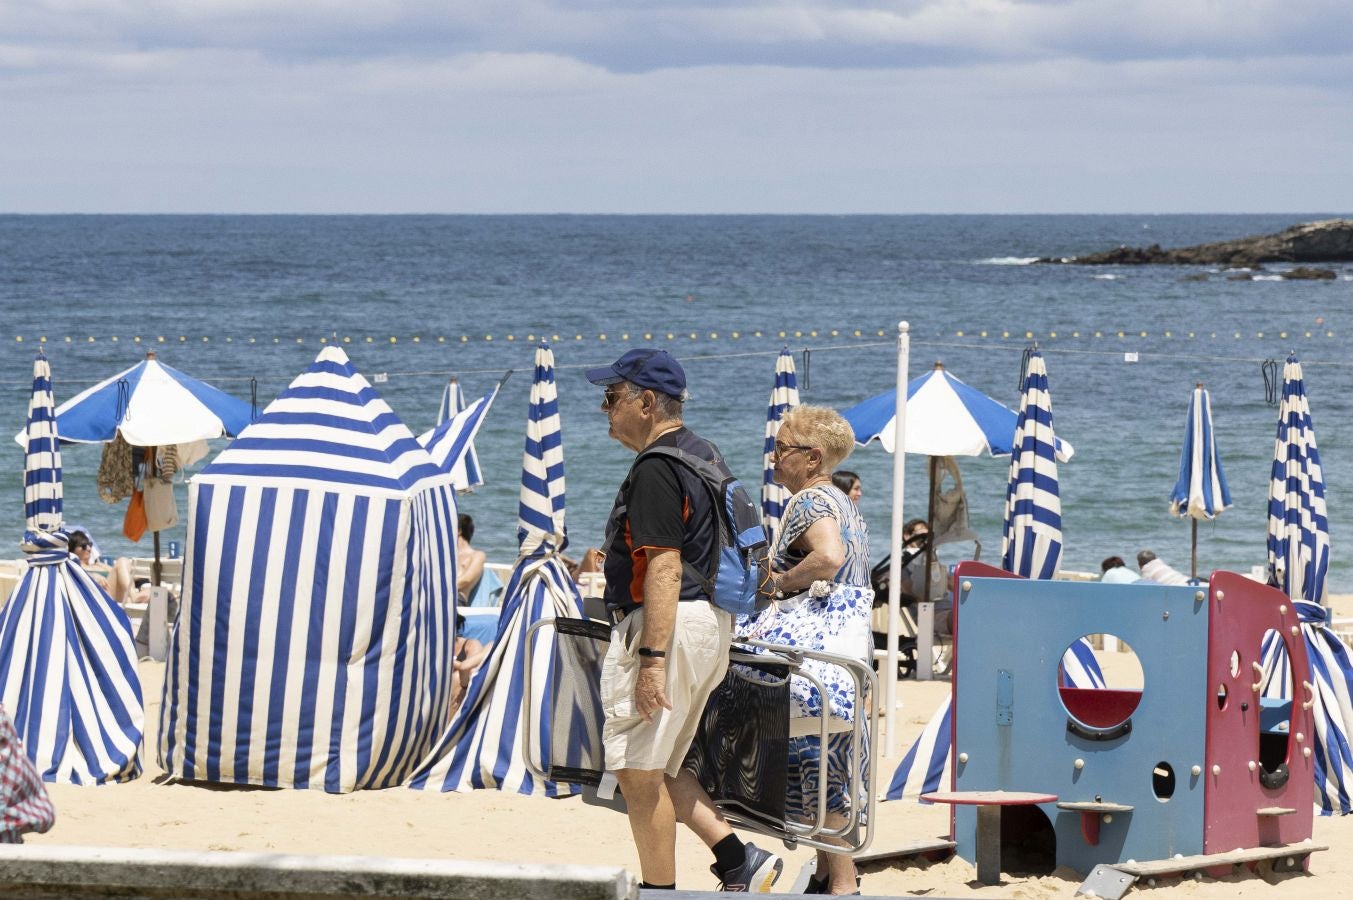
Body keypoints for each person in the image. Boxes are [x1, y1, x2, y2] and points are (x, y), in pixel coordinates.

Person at [588, 348, 781, 893]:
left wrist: (650, 660)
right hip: (710, 624)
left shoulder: (656, 467)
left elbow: (666, 566)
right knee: (662, 767)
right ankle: (737, 859)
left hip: (669, 626)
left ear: (646, 403)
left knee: (637, 776)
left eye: (611, 397)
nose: (604, 409)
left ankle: (658, 893)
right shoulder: (703, 454)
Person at [737, 405, 871, 896]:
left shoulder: (810, 503)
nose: (772, 457)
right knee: (831, 758)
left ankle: (841, 882)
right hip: (846, 654)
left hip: (815, 659)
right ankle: (823, 875)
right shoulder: (844, 501)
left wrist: (780, 585)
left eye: (782, 448)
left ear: (813, 458)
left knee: (810, 762)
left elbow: (829, 557)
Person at [899, 518, 951, 639]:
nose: (925, 537)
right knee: (966, 619)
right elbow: (912, 592)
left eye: (928, 534)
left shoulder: (931, 562)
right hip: (930, 615)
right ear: (907, 536)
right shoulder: (904, 565)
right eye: (921, 533)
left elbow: (952, 584)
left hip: (950, 609)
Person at [456, 513, 487, 603]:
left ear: (458, 531)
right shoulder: (446, 555)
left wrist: (439, 590)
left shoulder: (477, 555)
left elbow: (466, 580)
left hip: (456, 599)